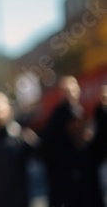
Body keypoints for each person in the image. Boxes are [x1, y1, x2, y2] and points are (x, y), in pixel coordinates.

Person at [41, 76, 106, 207]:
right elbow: (49, 150)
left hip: (87, 183)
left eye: (72, 89)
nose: (70, 93)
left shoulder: (80, 112)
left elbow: (95, 145)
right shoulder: (58, 117)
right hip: (68, 185)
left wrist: (102, 111)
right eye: (65, 90)